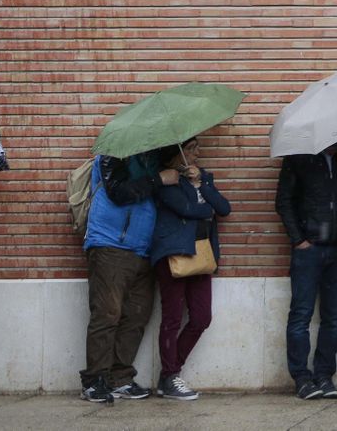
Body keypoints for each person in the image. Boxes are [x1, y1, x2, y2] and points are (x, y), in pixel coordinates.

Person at [80, 149, 177, 404]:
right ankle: (94, 381)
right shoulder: (113, 155)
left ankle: (119, 378)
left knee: (136, 316)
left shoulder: (152, 160)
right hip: (110, 244)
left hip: (143, 249)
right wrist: (158, 179)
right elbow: (119, 192)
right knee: (107, 313)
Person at [147, 138, 230, 402]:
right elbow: (186, 209)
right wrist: (205, 207)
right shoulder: (166, 180)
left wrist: (201, 185)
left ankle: (169, 374)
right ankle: (170, 377)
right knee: (172, 318)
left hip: (201, 254)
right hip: (173, 253)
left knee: (202, 317)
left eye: (197, 147)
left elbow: (224, 209)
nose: (197, 153)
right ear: (176, 155)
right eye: (192, 148)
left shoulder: (203, 178)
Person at [275, 143, 337, 400]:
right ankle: (301, 378)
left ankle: (324, 376)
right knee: (301, 314)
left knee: (333, 318)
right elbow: (283, 201)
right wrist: (299, 239)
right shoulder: (299, 158)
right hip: (308, 250)